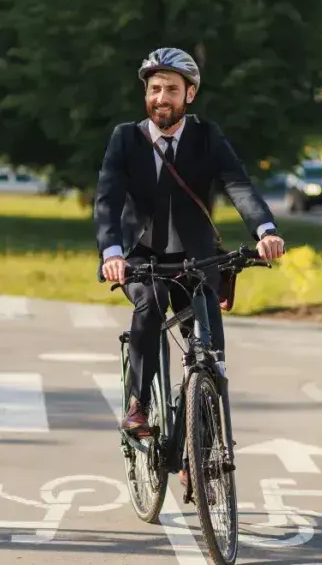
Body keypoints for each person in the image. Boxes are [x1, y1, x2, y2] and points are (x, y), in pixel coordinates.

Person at [94, 47, 286, 442]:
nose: (160, 98)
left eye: (170, 90)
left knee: (210, 355)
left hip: (197, 258)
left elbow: (238, 185)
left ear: (190, 94)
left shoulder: (206, 136)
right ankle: (138, 405)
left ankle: (197, 449)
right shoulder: (126, 139)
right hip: (140, 258)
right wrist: (111, 252)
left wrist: (265, 230)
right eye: (154, 89)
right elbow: (108, 200)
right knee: (149, 303)